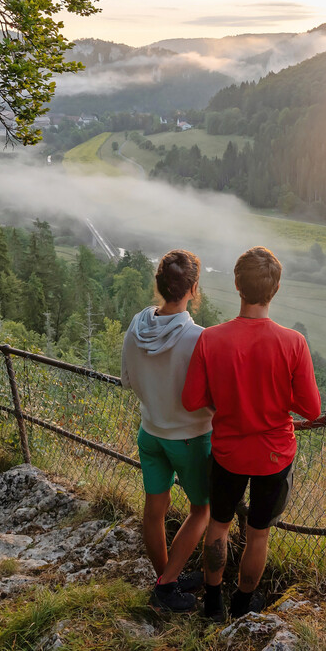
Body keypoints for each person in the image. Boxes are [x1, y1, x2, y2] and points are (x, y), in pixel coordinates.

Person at [181, 246, 321, 621]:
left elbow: (192, 399)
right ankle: (243, 606)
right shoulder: (293, 343)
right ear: (274, 290)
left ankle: (212, 603)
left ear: (238, 286)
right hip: (274, 455)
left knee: (219, 524)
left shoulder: (210, 339)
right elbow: (311, 409)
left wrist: (226, 401)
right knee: (258, 533)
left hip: (227, 452)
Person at [121, 249, 214, 612]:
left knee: (154, 510)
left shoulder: (136, 325)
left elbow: (128, 379)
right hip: (190, 437)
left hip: (150, 431)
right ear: (193, 288)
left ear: (159, 285)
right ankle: (166, 586)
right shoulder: (199, 338)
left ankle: (167, 578)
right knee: (202, 510)